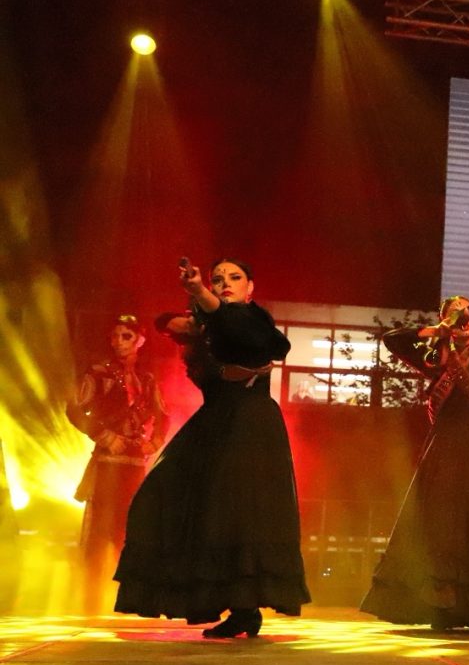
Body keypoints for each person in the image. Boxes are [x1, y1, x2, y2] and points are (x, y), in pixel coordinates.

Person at [114, 258, 309, 637]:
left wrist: (200, 292)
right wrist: (193, 319)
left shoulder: (253, 320)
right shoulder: (208, 327)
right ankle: (225, 602)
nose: (225, 283)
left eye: (235, 277)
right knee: (165, 497)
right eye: (218, 279)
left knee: (237, 512)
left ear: (250, 287)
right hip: (214, 422)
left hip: (250, 424)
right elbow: (165, 323)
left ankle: (245, 609)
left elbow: (263, 340)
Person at [360, 296, 469, 631]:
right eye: (454, 312)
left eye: (466, 312)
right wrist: (438, 330)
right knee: (441, 519)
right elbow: (393, 339)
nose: (462, 317)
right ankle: (441, 606)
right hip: (446, 442)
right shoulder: (436, 353)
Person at [66, 315, 168, 613]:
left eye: (127, 336)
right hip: (107, 463)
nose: (119, 342)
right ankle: (91, 600)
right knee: (99, 532)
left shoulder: (147, 380)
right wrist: (104, 435)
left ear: (140, 340)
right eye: (115, 336)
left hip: (135, 464)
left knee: (132, 530)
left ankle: (128, 598)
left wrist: (154, 442)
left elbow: (163, 415)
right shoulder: (98, 373)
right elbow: (74, 409)